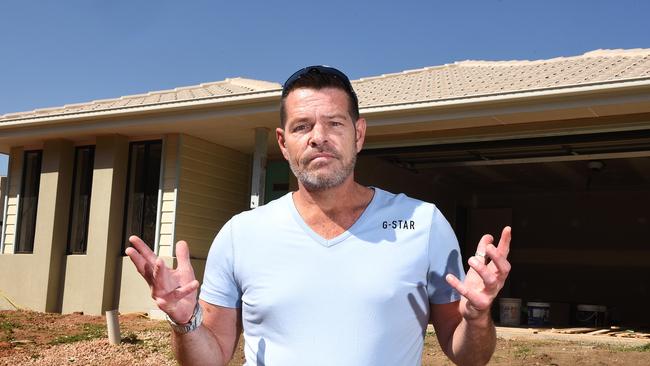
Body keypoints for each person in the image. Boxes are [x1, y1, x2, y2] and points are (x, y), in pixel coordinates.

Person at [126, 65, 512, 365]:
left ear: (358, 134)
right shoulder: (241, 234)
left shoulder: (422, 224)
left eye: (334, 123)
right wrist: (184, 320)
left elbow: (468, 355)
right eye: (302, 126)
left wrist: (478, 317)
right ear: (283, 141)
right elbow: (210, 358)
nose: (318, 136)